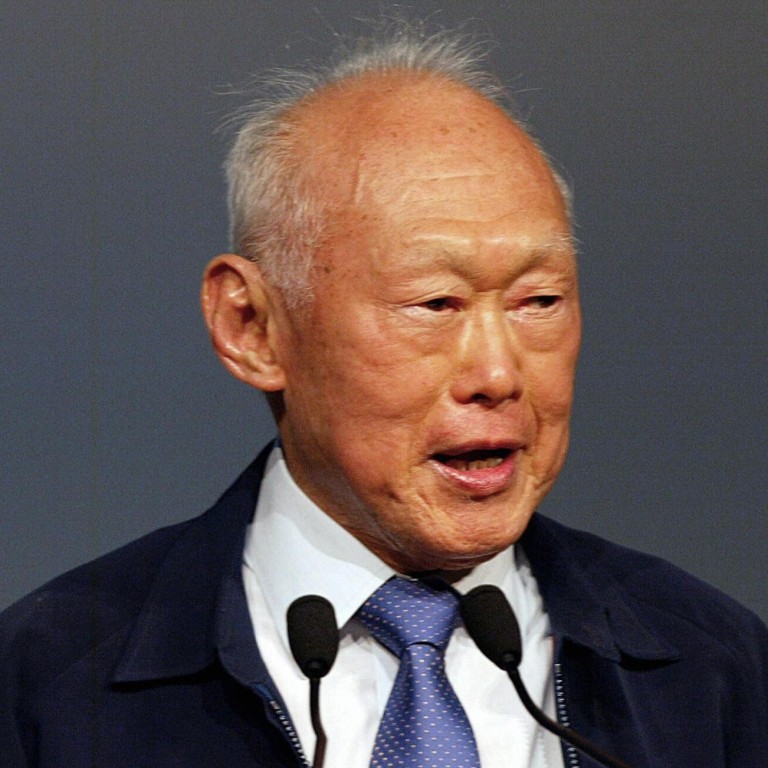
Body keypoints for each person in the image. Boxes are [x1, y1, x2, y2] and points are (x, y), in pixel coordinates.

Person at [1, 28, 766, 768]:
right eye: (435, 304)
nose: (499, 374)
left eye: (539, 301)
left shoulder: (716, 670)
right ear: (253, 327)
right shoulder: (46, 686)